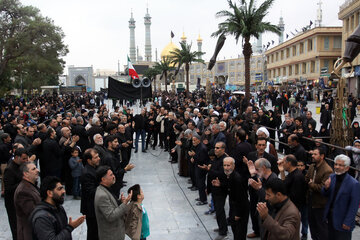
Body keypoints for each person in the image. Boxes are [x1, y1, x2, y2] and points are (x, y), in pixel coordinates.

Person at [322, 154, 360, 240]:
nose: (337, 167)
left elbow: (354, 205)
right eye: (336, 164)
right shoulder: (332, 177)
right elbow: (325, 194)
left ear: (347, 168)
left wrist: (348, 221)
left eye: (340, 165)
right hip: (330, 218)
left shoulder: (354, 184)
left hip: (343, 220)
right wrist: (326, 188)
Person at [212, 157, 249, 240]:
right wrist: (220, 185)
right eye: (224, 165)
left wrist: (238, 214)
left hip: (240, 208)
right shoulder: (229, 176)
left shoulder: (237, 178)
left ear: (233, 166)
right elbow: (230, 188)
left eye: (228, 165)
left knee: (240, 232)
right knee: (235, 229)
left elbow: (242, 198)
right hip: (234, 206)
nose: (226, 168)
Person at [94, 166, 132, 240]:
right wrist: (125, 204)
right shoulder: (102, 195)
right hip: (111, 236)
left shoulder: (106, 188)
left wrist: (120, 201)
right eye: (111, 175)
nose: (114, 176)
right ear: (103, 179)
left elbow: (110, 205)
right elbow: (111, 216)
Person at [305, 147, 333, 240]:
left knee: (321, 229)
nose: (312, 156)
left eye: (315, 154)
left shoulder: (327, 170)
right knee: (312, 227)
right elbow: (307, 178)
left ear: (322, 156)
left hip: (320, 205)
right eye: (312, 154)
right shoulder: (312, 166)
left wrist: (311, 184)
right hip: (311, 202)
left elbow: (322, 187)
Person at [278, 154, 308, 239]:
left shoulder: (297, 176)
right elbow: (285, 185)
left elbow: (295, 196)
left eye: (283, 162)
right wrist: (282, 171)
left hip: (292, 209)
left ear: (289, 163)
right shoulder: (292, 174)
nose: (282, 163)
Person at [4, 148, 29, 240]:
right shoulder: (9, 170)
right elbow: (9, 189)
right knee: (16, 227)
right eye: (24, 159)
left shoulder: (21, 166)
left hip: (21, 202)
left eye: (27, 159)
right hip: (12, 203)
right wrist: (24, 182)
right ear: (17, 157)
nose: (26, 161)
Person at [14, 162, 41, 240]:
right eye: (33, 169)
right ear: (26, 174)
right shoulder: (23, 191)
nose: (37, 170)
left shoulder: (31, 186)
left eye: (36, 167)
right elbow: (33, 213)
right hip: (29, 234)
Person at [81, 148, 101, 240]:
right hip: (91, 209)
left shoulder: (94, 168)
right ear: (89, 160)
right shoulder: (87, 173)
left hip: (94, 207)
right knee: (93, 233)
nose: (99, 158)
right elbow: (91, 192)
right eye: (96, 157)